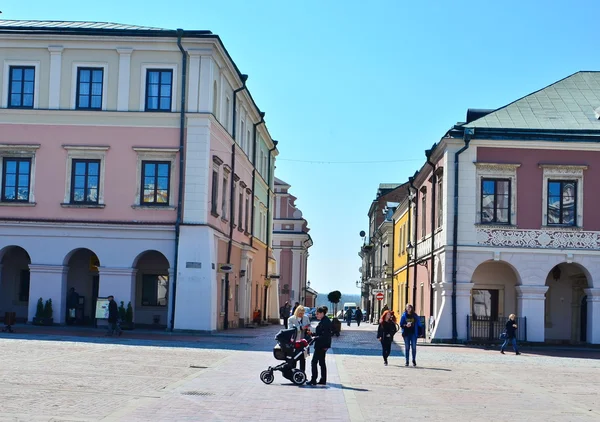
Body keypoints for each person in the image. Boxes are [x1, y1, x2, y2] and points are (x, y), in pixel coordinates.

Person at [307, 306, 332, 386]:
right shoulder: (324, 321)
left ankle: (314, 379)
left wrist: (315, 337)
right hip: (322, 344)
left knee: (314, 362)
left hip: (321, 345)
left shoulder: (326, 322)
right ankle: (323, 379)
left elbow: (325, 335)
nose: (316, 315)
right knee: (321, 362)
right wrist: (313, 334)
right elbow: (320, 333)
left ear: (322, 313)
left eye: (317, 314)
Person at [287, 305, 311, 374]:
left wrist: (308, 329)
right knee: (294, 358)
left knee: (303, 358)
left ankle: (302, 373)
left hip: (304, 341)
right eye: (300, 313)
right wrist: (300, 328)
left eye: (303, 313)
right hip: (295, 341)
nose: (301, 315)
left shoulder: (306, 318)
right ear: (297, 312)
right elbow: (290, 329)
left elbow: (309, 325)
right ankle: (293, 373)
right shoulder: (291, 319)